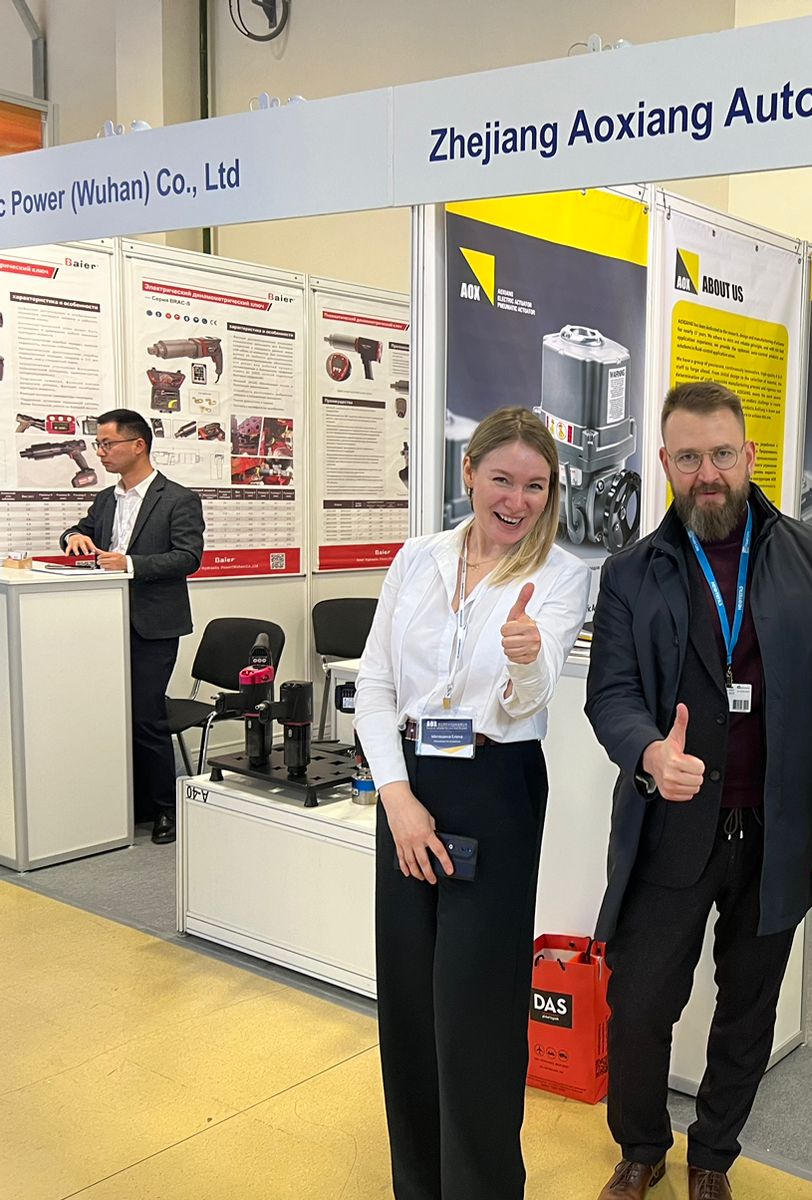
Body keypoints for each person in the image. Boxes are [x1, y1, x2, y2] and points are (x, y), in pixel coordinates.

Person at [585, 381, 812, 1200]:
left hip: (778, 829)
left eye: (722, 454)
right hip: (669, 825)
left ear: (749, 456)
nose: (708, 473)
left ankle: (713, 1157)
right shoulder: (632, 572)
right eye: (689, 457)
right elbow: (611, 693)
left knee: (748, 1008)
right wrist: (647, 753)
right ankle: (641, 1147)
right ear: (665, 462)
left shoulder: (811, 557)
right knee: (640, 1003)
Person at [353, 406, 589, 1200]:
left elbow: (532, 698)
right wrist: (396, 798)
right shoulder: (415, 558)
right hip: (410, 785)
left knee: (475, 1011)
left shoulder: (561, 574)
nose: (517, 500)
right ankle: (419, 1185)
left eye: (536, 485)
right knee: (410, 1002)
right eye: (502, 479)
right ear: (469, 473)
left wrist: (526, 660)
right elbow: (375, 685)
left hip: (496, 784)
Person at [61, 409, 204, 845]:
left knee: (146, 717)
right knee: (112, 714)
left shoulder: (177, 498)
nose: (100, 452)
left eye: (107, 444)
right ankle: (134, 802)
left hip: (153, 625)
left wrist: (130, 564)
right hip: (105, 625)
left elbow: (188, 557)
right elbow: (79, 529)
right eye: (98, 445)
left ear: (138, 445)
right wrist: (73, 537)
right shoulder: (107, 499)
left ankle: (166, 808)